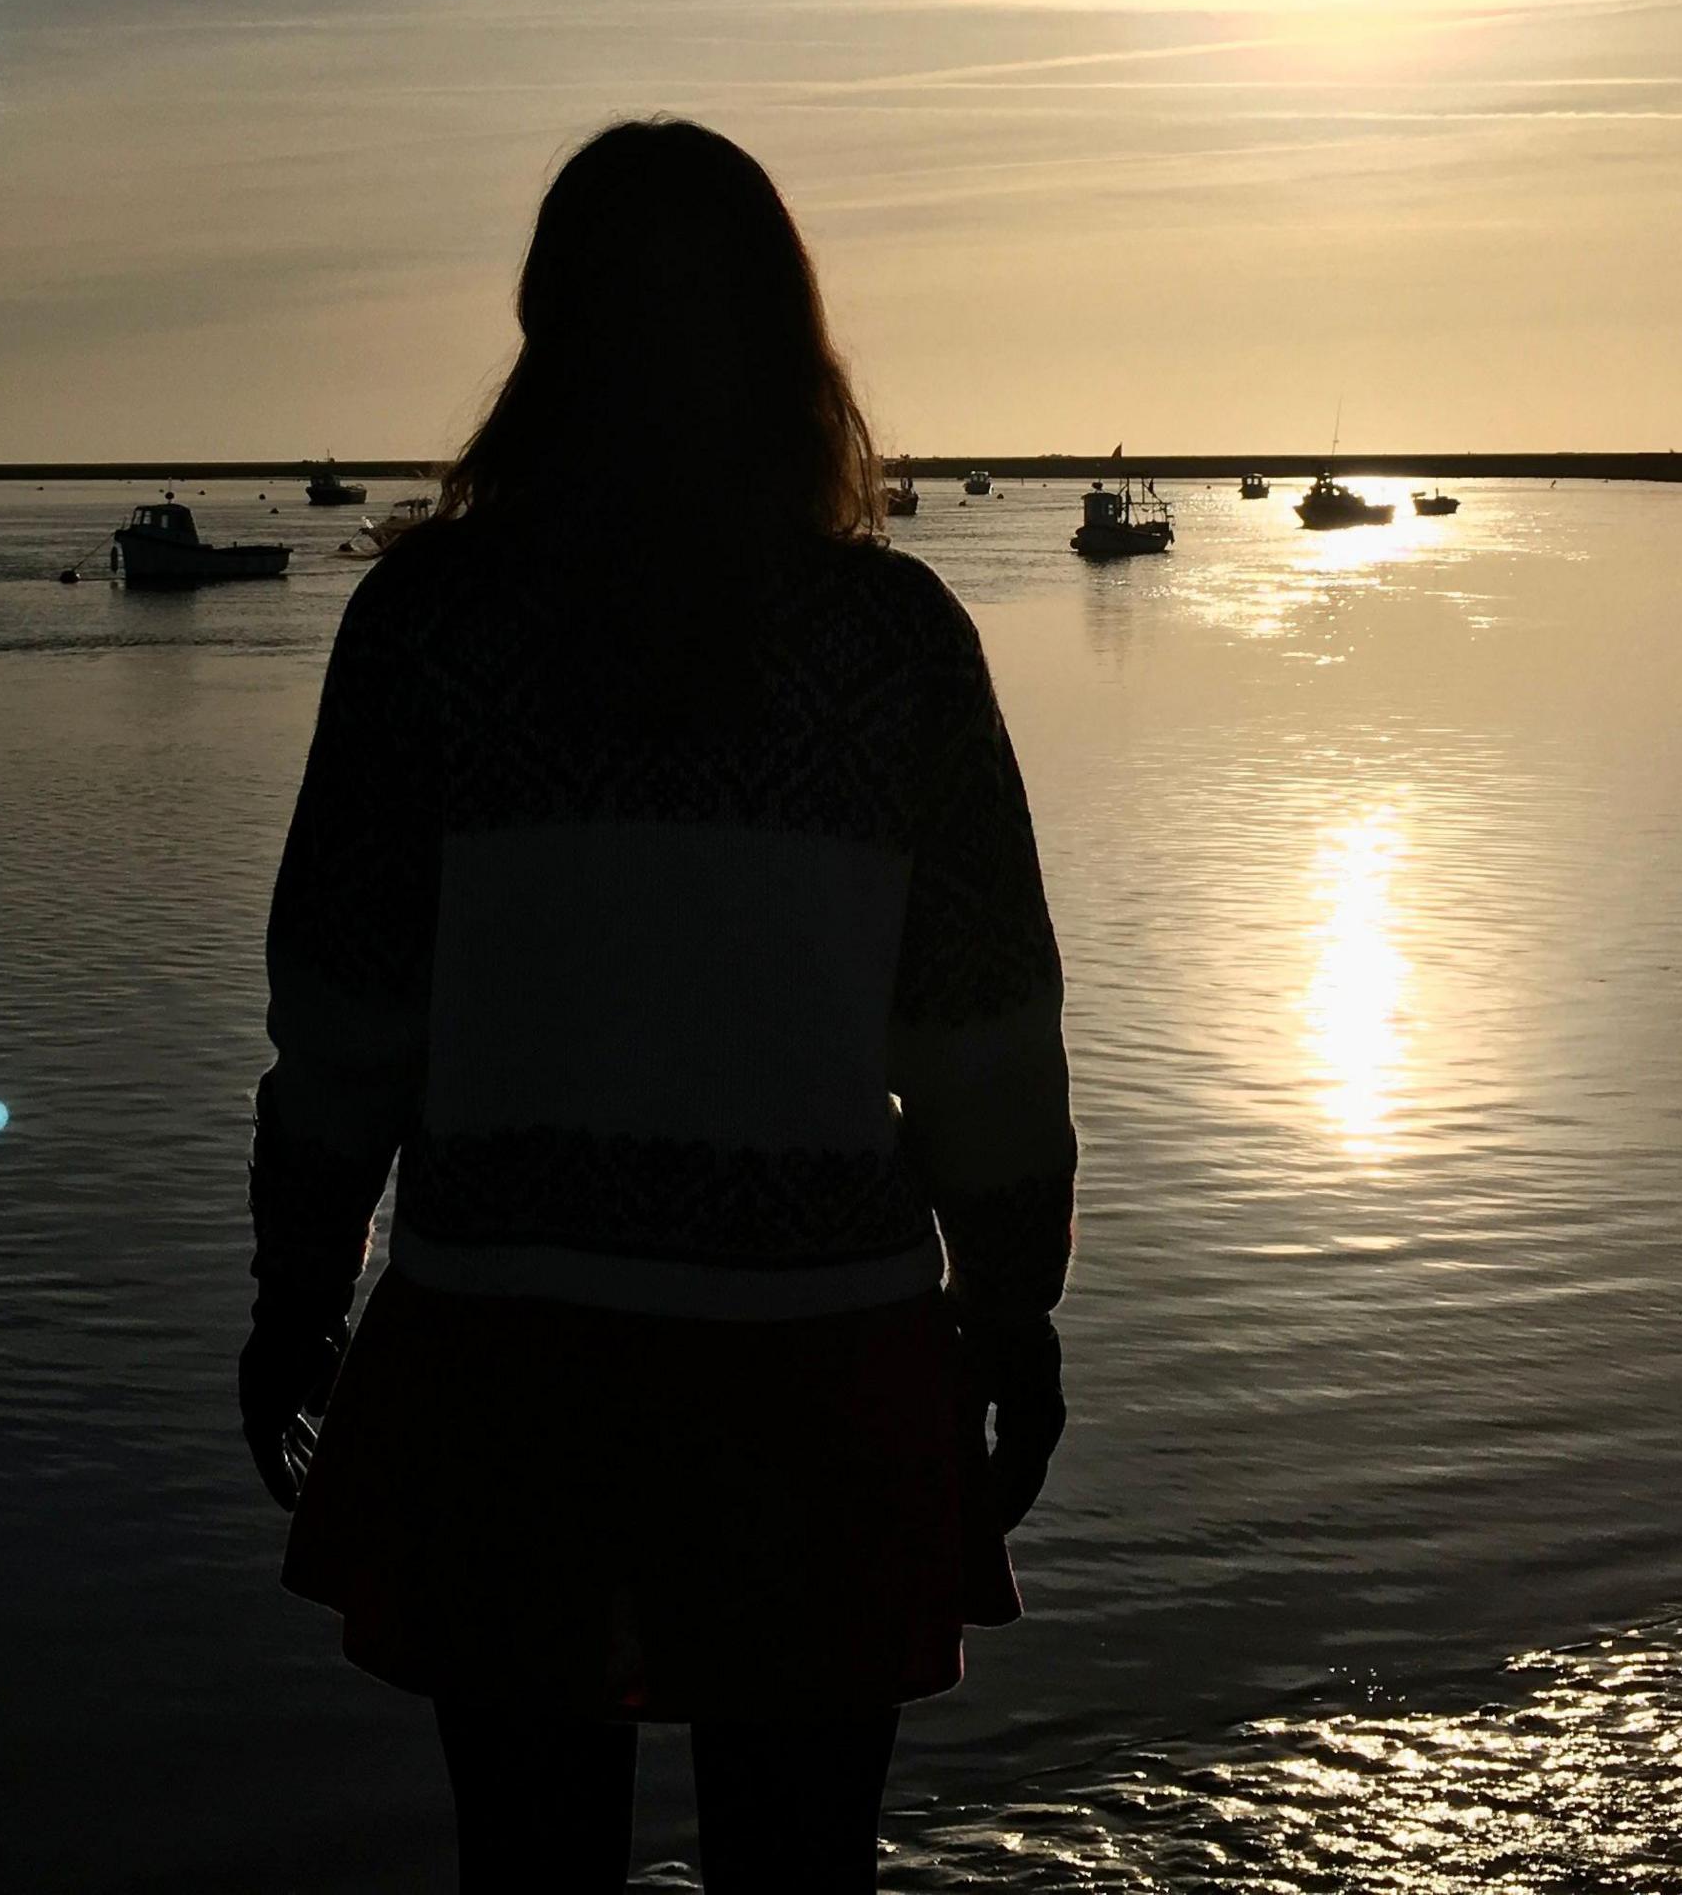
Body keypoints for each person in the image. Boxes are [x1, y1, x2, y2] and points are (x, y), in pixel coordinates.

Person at [237, 118, 1078, 1892]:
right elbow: (984, 1039)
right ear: (793, 344)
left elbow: (343, 1017)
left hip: (508, 1364)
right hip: (820, 1372)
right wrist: (1013, 1320)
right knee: (801, 1874)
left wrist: (297, 1284)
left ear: (552, 335)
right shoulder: (900, 641)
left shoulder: (426, 631)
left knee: (529, 1871)